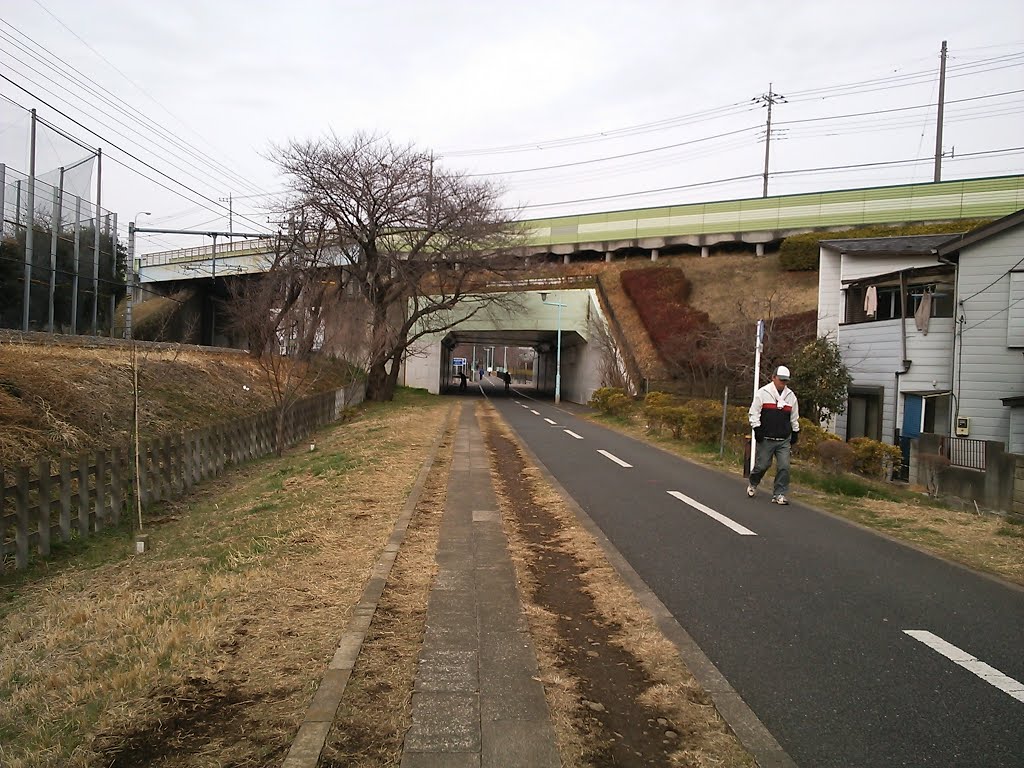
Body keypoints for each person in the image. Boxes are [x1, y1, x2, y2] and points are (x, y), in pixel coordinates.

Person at [747, 365, 800, 505]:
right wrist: (757, 428)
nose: (783, 383)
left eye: (785, 381)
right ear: (773, 378)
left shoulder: (791, 396)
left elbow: (794, 417)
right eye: (781, 380)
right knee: (763, 465)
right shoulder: (763, 393)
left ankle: (779, 494)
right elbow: (754, 412)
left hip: (783, 439)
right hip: (766, 437)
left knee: (784, 466)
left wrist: (795, 431)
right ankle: (753, 482)